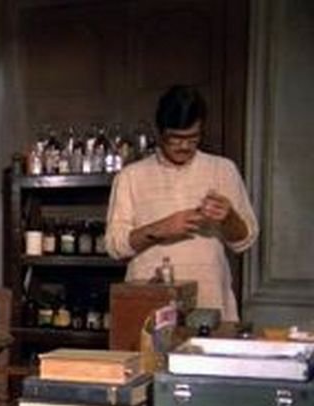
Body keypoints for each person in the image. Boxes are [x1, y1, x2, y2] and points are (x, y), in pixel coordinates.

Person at [105, 85, 259, 321]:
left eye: (193, 138)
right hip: (150, 309)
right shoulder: (130, 176)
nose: (185, 146)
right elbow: (115, 246)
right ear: (160, 133)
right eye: (175, 139)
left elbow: (245, 241)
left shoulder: (223, 170)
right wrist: (159, 229)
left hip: (211, 304)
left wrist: (229, 218)